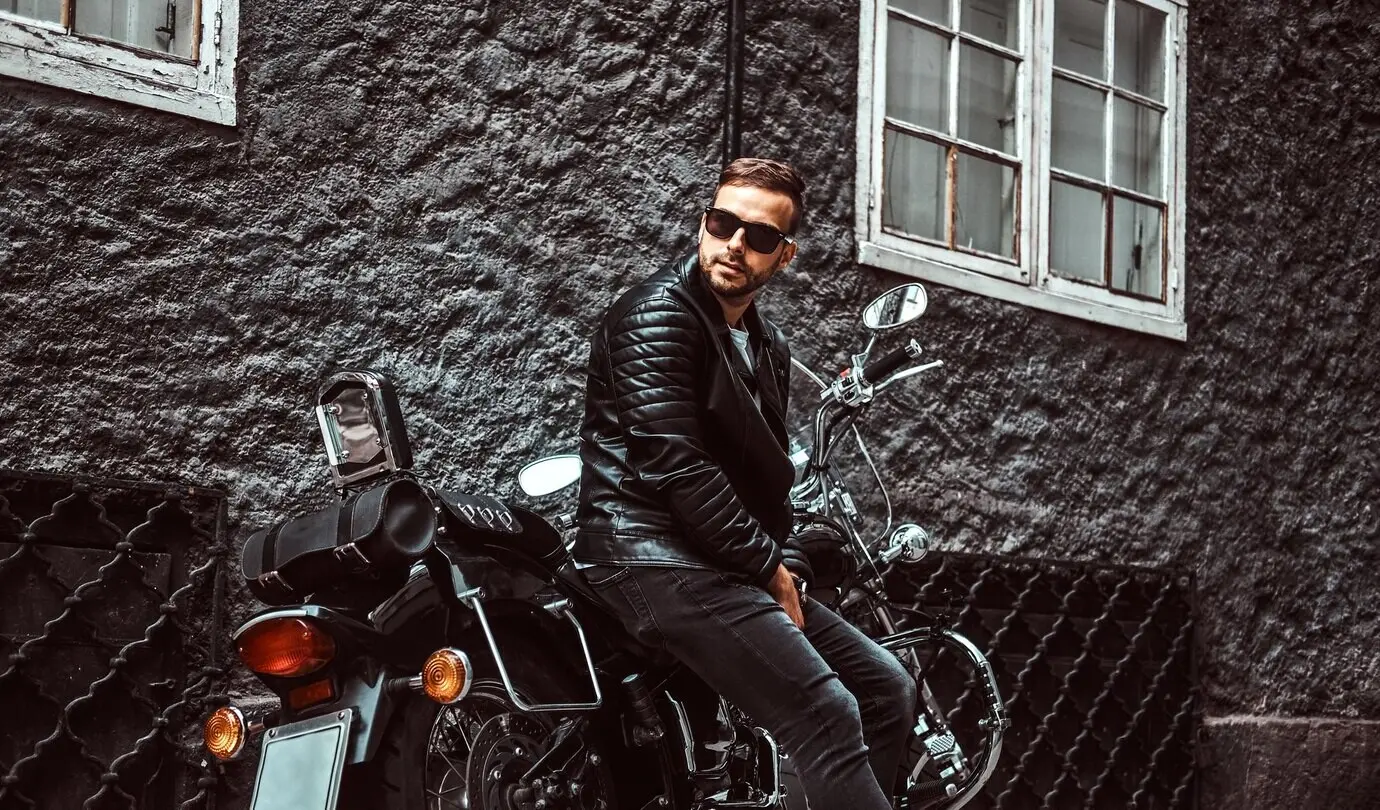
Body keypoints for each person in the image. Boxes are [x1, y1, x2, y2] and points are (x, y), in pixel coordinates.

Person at [574, 157, 917, 809]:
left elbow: (758, 476)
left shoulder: (765, 344)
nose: (735, 243)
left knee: (886, 689)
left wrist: (779, 556)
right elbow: (677, 465)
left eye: (759, 236)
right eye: (722, 222)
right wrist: (768, 567)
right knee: (825, 714)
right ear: (704, 225)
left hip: (716, 561)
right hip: (647, 554)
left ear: (783, 256)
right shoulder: (657, 316)